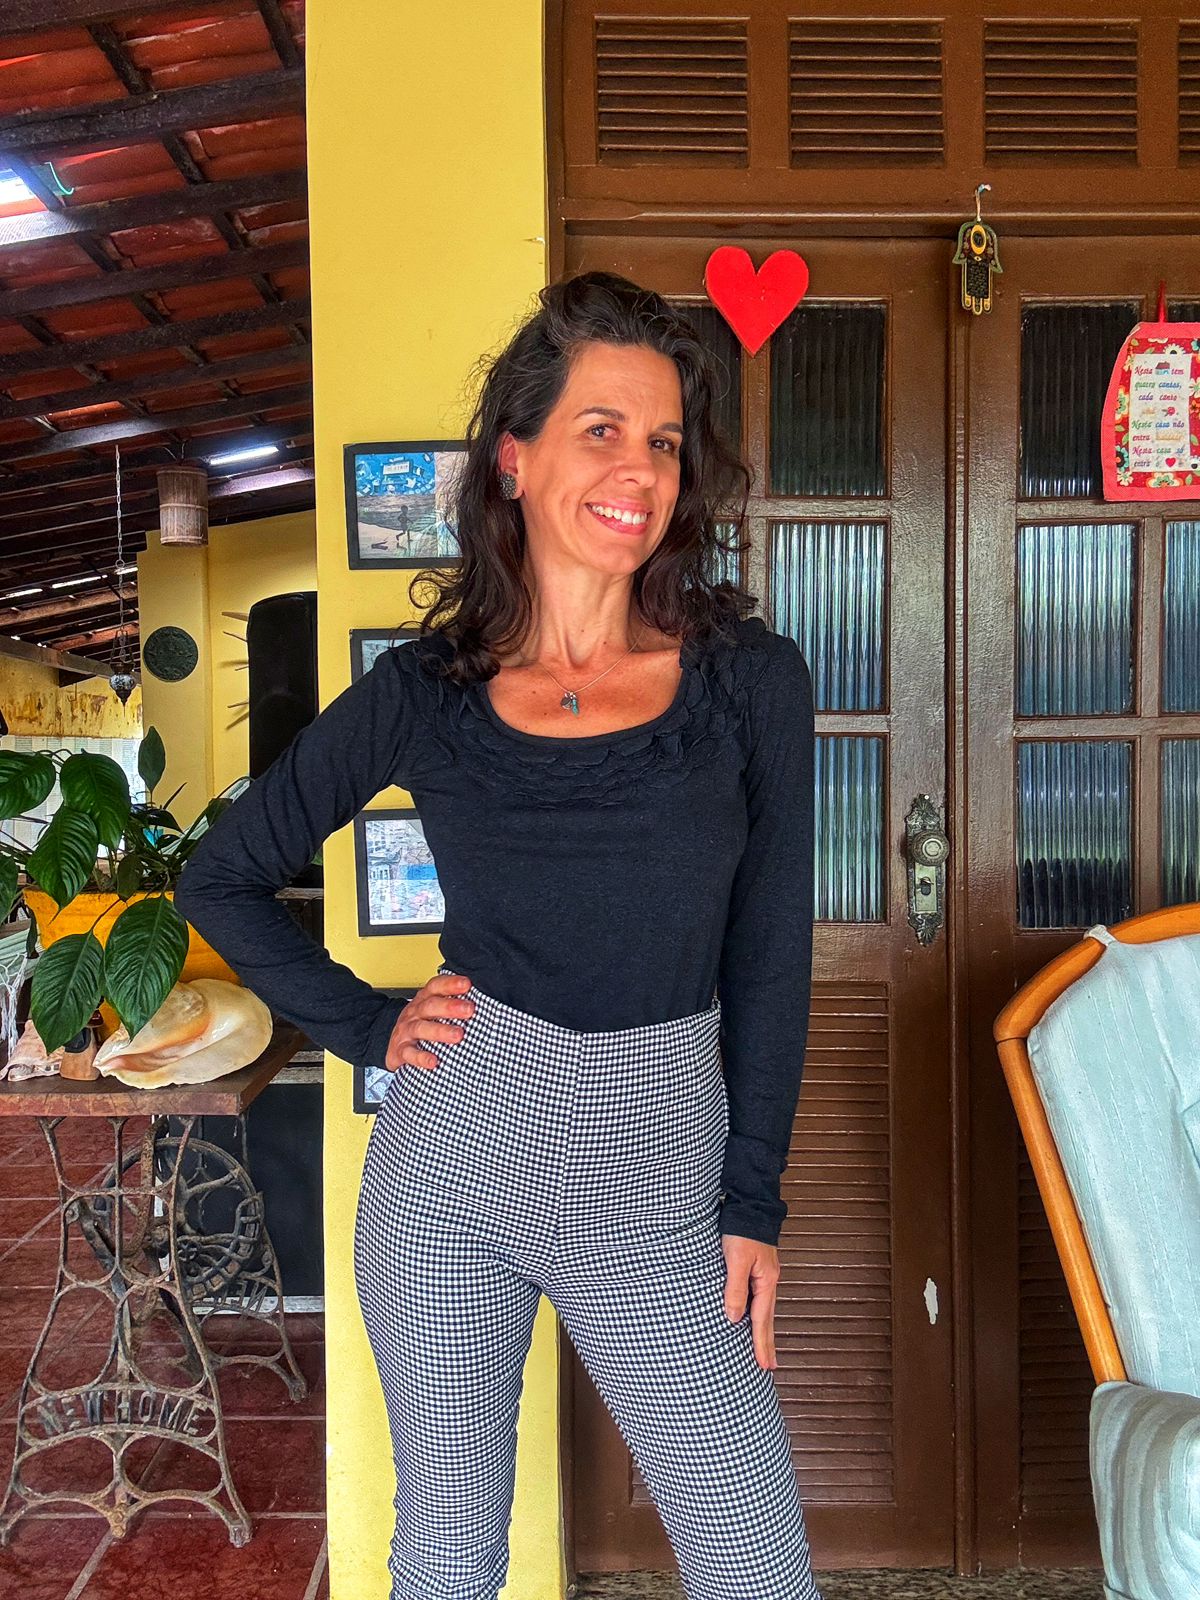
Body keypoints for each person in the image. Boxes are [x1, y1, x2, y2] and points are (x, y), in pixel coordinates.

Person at [173, 270, 821, 1600]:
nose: (639, 470)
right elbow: (222, 876)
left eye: (662, 440)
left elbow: (768, 953)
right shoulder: (429, 692)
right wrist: (367, 1024)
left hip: (660, 1168)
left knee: (752, 1558)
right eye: (602, 429)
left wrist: (751, 1201)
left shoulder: (748, 681)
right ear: (514, 460)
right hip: (456, 1158)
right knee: (450, 1545)